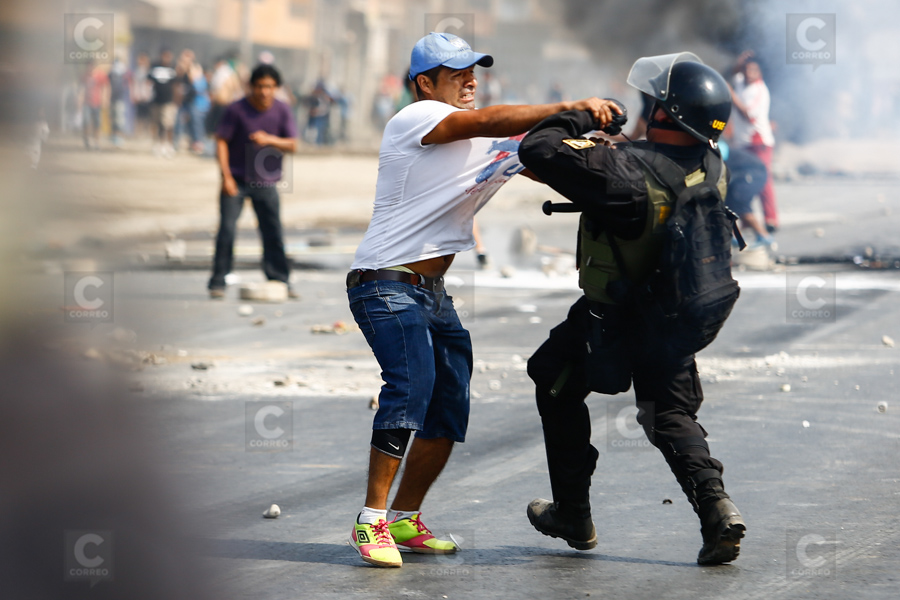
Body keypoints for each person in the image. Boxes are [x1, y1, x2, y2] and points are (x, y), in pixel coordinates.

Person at [345, 31, 616, 568]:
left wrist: (623, 156)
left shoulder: (495, 145)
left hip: (433, 295)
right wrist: (569, 107)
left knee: (448, 406)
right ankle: (371, 520)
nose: (471, 80)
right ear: (426, 83)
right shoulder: (415, 120)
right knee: (409, 388)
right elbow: (491, 119)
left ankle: (404, 519)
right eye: (457, 73)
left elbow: (551, 161)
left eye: (475, 71)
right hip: (385, 284)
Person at [518, 52, 746, 566]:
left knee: (551, 375)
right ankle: (718, 511)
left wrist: (586, 115)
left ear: (666, 116)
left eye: (653, 105)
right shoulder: (711, 163)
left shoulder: (621, 173)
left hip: (614, 317)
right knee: (669, 413)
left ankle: (573, 512)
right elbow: (651, 176)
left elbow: (537, 148)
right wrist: (615, 150)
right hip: (677, 312)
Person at [207, 64, 298, 299]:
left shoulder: (282, 110)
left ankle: (280, 279)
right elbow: (221, 141)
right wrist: (225, 177)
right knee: (226, 230)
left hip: (266, 182)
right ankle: (218, 281)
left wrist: (269, 140)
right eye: (259, 86)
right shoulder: (236, 110)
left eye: (269, 87)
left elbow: (293, 145)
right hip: (235, 180)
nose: (264, 92)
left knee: (272, 231)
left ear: (276, 88)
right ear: (251, 87)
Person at [730, 51, 778, 233]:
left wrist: (731, 96)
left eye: (754, 70)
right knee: (742, 180)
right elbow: (734, 74)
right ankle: (746, 218)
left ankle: (771, 218)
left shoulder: (759, 90)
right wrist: (740, 60)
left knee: (763, 179)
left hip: (758, 141)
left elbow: (747, 114)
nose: (750, 73)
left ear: (760, 73)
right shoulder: (741, 83)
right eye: (747, 69)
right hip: (743, 142)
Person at [148, 48, 178, 157]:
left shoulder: (173, 68)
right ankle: (157, 144)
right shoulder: (154, 67)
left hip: (168, 101)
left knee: (168, 124)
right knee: (156, 124)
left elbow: (176, 85)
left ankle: (168, 145)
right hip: (156, 100)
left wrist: (175, 101)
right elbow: (148, 82)